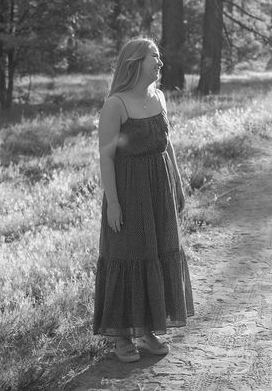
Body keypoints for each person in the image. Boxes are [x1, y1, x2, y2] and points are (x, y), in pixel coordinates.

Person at [93, 38, 193, 362]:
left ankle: (147, 330)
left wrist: (177, 184)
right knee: (129, 254)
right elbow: (106, 158)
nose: (160, 63)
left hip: (158, 188)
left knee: (157, 252)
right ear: (135, 62)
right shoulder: (116, 104)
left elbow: (169, 145)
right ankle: (122, 336)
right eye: (154, 57)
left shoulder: (159, 97)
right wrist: (114, 203)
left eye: (160, 56)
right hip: (129, 190)